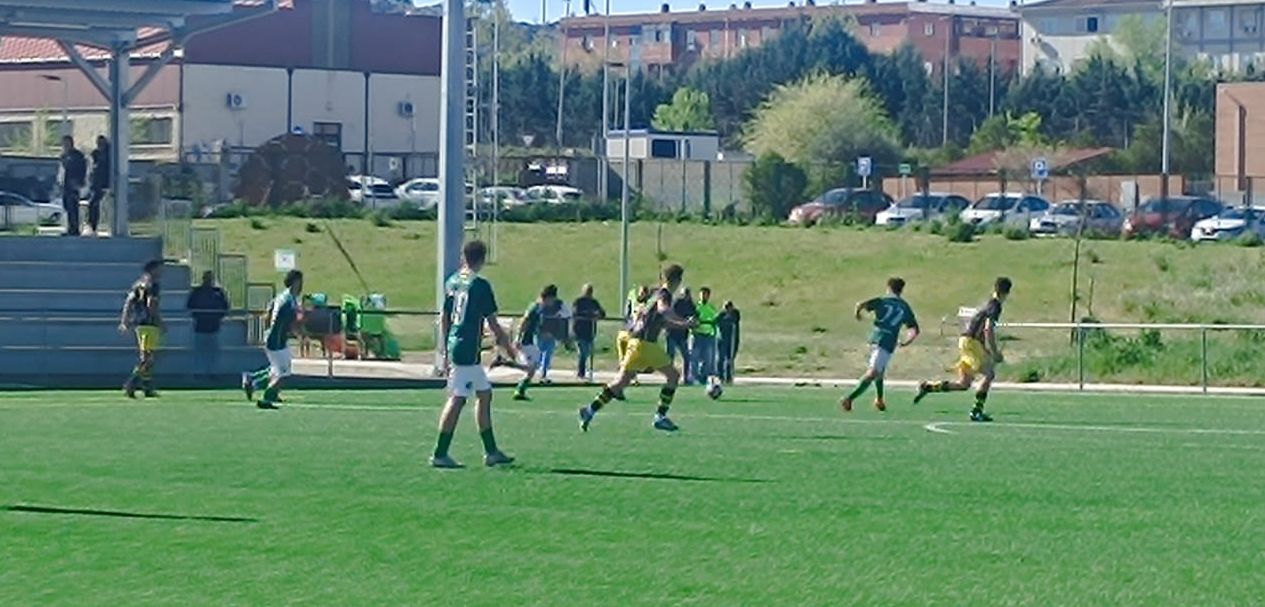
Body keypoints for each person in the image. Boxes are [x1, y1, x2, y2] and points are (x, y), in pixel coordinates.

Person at [579, 264, 697, 433]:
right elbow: (664, 311)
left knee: (620, 383)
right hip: (645, 344)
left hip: (635, 342)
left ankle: (589, 410)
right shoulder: (664, 295)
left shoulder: (655, 294)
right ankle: (660, 416)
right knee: (674, 376)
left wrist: (680, 324)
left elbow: (660, 320)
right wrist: (685, 322)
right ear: (677, 280)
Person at [430, 240, 517, 469]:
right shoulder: (480, 285)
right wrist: (510, 350)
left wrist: (446, 348)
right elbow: (493, 324)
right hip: (468, 349)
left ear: (464, 256)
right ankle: (439, 453)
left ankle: (491, 452)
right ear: (483, 258)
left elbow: (445, 317)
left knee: (484, 394)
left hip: (460, 346)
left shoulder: (453, 281)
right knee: (457, 399)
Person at [914, 277, 1013, 422]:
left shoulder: (988, 304)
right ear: (1007, 293)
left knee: (964, 384)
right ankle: (976, 411)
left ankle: (928, 387)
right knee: (989, 374)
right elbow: (988, 329)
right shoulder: (995, 306)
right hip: (972, 342)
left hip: (965, 341)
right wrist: (994, 351)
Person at [840, 277, 920, 413]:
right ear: (901, 290)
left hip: (877, 338)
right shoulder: (905, 307)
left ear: (888, 288)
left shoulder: (882, 301)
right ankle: (849, 398)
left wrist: (858, 315)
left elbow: (860, 305)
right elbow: (914, 329)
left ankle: (879, 399)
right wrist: (907, 341)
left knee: (879, 370)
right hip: (887, 342)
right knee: (873, 372)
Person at [243, 270, 303, 409]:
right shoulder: (288, 301)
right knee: (283, 373)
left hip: (275, 338)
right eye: (300, 282)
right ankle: (266, 398)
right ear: (295, 282)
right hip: (276, 341)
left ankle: (252, 380)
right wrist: (298, 332)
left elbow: (269, 313)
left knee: (276, 370)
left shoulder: (284, 297)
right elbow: (289, 321)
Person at [492, 284, 555, 401]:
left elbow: (533, 325)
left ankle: (520, 389)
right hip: (526, 340)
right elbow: (524, 321)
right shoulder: (535, 307)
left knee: (533, 366)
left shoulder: (538, 308)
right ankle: (505, 365)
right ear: (549, 297)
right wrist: (518, 338)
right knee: (531, 367)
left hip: (530, 339)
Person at [118, 260, 163, 398]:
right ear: (152, 270)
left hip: (139, 323)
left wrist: (124, 320)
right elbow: (151, 304)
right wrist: (159, 321)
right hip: (149, 323)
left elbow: (129, 302)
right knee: (148, 358)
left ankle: (147, 387)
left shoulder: (138, 285)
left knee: (147, 356)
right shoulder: (153, 285)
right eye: (159, 269)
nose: (161, 272)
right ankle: (131, 383)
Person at [186, 271, 230, 378]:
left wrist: (218, 317)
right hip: (200, 326)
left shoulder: (218, 292)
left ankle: (213, 372)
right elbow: (190, 306)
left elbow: (225, 307)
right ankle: (198, 372)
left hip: (214, 327)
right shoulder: (197, 292)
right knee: (200, 351)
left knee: (212, 352)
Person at [571, 284, 606, 381]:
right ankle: (580, 373)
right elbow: (575, 312)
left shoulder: (594, 302)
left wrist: (597, 315)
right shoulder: (578, 301)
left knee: (587, 352)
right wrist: (590, 314)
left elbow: (602, 313)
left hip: (590, 331)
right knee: (582, 352)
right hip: (579, 330)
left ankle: (588, 372)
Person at [666, 287, 696, 384]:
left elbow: (695, 314)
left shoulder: (690, 304)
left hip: (683, 335)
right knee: (671, 357)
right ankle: (669, 377)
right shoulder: (677, 303)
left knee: (687, 357)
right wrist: (685, 321)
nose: (686, 296)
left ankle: (686, 378)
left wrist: (693, 319)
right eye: (685, 294)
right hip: (672, 333)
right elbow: (672, 315)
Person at [691, 287, 720, 385]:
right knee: (694, 357)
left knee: (708, 357)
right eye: (702, 294)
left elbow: (715, 319)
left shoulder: (711, 307)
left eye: (705, 294)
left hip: (708, 334)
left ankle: (704, 377)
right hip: (698, 334)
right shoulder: (695, 307)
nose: (703, 296)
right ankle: (694, 376)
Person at [59, 136, 87, 236]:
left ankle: (74, 229)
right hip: (66, 184)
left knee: (73, 206)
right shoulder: (64, 155)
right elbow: (63, 169)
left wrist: (80, 182)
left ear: (71, 143)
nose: (65, 146)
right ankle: (70, 226)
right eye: (63, 144)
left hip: (74, 184)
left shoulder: (77, 155)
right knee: (66, 205)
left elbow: (82, 168)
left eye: (66, 143)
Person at [88, 136, 110, 235]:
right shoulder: (95, 154)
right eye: (98, 143)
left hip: (105, 182)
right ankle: (93, 224)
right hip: (96, 183)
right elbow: (92, 167)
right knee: (93, 203)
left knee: (95, 202)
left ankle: (94, 224)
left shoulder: (109, 154)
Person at [716, 301, 741, 384]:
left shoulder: (735, 314)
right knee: (721, 358)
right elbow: (716, 321)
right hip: (722, 339)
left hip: (732, 339)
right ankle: (720, 376)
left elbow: (734, 320)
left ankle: (729, 377)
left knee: (730, 359)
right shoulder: (721, 315)